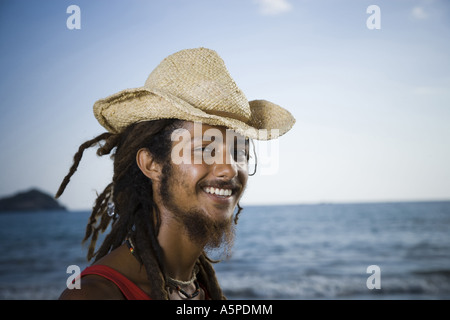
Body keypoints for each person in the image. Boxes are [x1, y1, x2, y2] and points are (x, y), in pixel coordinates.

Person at [56, 47, 295, 300]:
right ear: (151, 164)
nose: (229, 168)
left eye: (240, 152)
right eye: (205, 149)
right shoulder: (95, 295)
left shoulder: (202, 290)